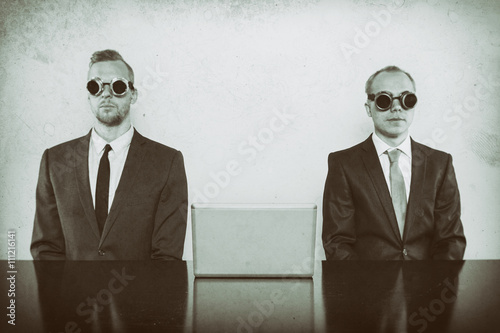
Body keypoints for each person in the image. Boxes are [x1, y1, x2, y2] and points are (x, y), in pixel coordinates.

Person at [31, 50, 188, 260]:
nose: (106, 94)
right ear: (88, 95)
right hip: (70, 292)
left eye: (118, 86)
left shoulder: (166, 162)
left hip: (140, 292)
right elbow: (45, 248)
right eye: (95, 86)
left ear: (133, 94)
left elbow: (167, 255)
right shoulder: (55, 161)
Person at [322, 66, 466, 260]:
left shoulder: (440, 163)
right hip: (367, 286)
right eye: (384, 99)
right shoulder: (343, 164)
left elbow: (451, 240)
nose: (397, 107)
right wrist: (362, 288)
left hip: (427, 285)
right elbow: (337, 241)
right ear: (368, 108)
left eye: (407, 99)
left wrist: (433, 287)